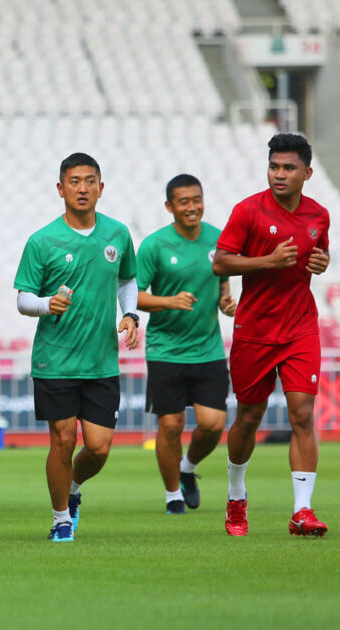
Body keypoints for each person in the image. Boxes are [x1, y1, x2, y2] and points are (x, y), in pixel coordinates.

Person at [14, 152, 139, 543]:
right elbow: (22, 299)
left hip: (101, 360)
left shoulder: (118, 234)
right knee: (63, 440)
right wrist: (45, 304)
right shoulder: (42, 240)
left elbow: (126, 281)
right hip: (55, 360)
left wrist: (131, 314)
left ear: (101, 187)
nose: (82, 188)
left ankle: (71, 488)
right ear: (60, 188)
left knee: (98, 449)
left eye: (89, 181)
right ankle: (60, 519)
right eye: (74, 181)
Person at [212, 133, 331, 537]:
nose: (279, 174)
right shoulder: (247, 211)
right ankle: (236, 494)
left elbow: (318, 254)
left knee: (301, 415)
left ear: (307, 173)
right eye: (274, 166)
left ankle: (302, 510)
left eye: (288, 168)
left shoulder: (319, 215)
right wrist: (268, 260)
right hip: (255, 329)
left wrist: (322, 262)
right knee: (249, 417)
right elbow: (220, 263)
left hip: (300, 327)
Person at [137, 175, 235, 514]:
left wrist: (226, 301)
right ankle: (172, 495)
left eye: (197, 199)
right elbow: (132, 295)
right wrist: (168, 302)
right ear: (170, 207)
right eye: (183, 201)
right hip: (165, 349)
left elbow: (223, 281)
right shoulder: (154, 245)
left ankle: (187, 469)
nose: (192, 207)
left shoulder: (218, 238)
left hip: (208, 348)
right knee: (170, 426)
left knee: (212, 425)